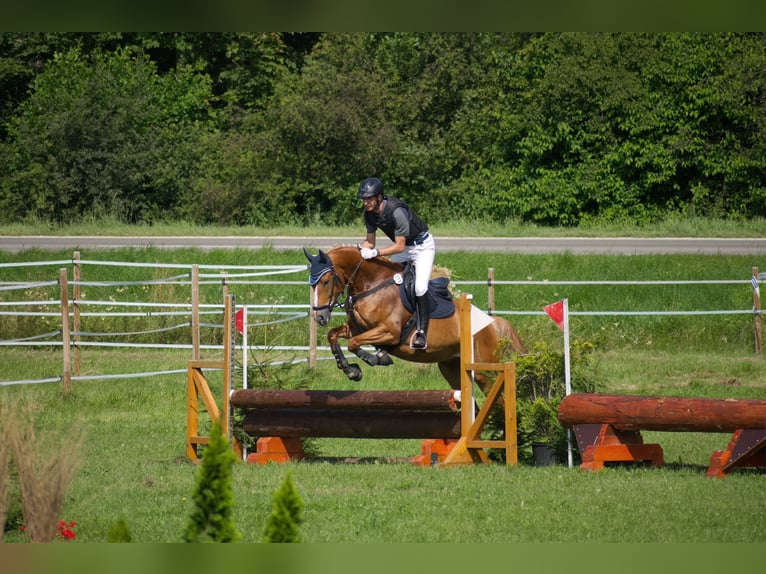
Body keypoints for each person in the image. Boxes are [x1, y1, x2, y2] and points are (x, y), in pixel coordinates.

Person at [356, 177, 435, 350]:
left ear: (379, 197)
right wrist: (354, 249)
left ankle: (422, 331)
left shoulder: (396, 211)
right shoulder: (369, 214)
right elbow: (370, 243)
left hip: (421, 248)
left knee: (420, 287)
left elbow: (399, 246)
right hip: (403, 248)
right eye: (363, 199)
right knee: (389, 282)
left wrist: (375, 254)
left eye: (369, 198)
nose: (365, 202)